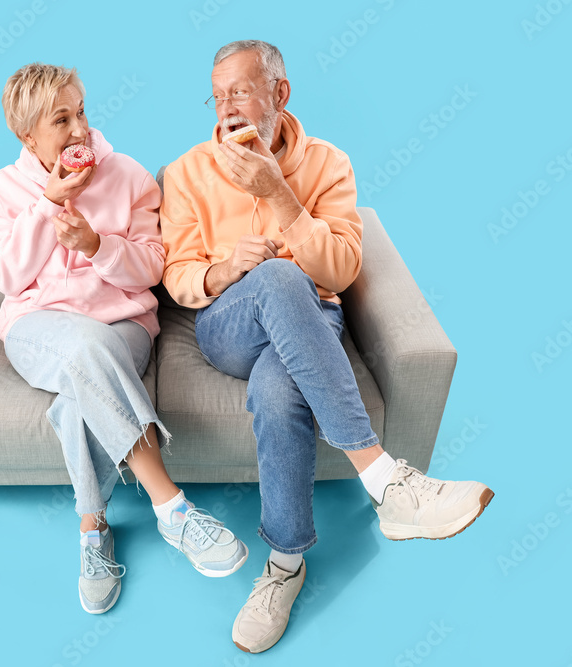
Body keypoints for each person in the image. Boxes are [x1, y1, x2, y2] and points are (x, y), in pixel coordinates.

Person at [159, 41, 494, 653]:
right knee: (276, 276)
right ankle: (386, 480)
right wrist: (227, 268)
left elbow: (339, 271)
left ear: (279, 93)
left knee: (278, 388)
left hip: (312, 318)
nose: (226, 106)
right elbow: (178, 276)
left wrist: (279, 194)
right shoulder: (186, 172)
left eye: (241, 91)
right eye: (218, 94)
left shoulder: (328, 163)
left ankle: (284, 565)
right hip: (226, 324)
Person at [0, 63, 247, 615]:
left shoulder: (128, 176)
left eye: (81, 112)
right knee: (83, 350)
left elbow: (152, 268)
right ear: (27, 136)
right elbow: (7, 277)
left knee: (81, 386)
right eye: (61, 120)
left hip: (123, 326)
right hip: (38, 328)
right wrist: (47, 204)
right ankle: (171, 508)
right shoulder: (2, 192)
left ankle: (92, 527)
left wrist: (97, 246)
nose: (80, 129)